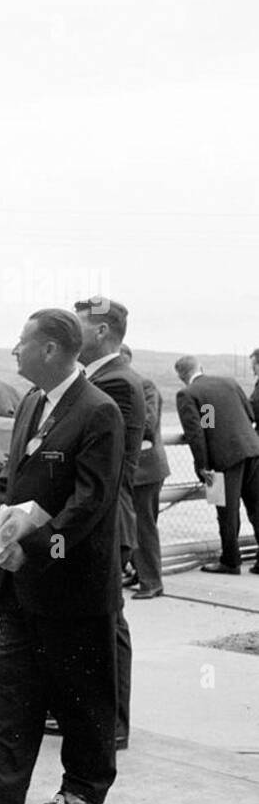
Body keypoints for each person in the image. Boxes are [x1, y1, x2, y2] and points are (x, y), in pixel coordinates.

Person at [0, 309, 122, 804]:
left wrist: (39, 546)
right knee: (12, 683)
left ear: (49, 350)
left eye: (21, 342)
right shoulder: (29, 402)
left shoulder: (99, 411)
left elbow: (91, 502)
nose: (14, 351)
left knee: (81, 691)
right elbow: (11, 481)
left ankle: (85, 789)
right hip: (20, 579)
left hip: (72, 582)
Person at [74, 297, 145, 751]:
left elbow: (104, 465)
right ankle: (95, 718)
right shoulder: (100, 377)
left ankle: (113, 724)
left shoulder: (116, 383)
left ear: (101, 331)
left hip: (106, 523)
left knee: (106, 625)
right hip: (98, 522)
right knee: (93, 623)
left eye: (77, 324)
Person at [174, 355, 259, 575]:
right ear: (200, 367)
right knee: (257, 507)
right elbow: (249, 414)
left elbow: (197, 435)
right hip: (252, 450)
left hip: (219, 461)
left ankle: (230, 561)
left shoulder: (188, 393)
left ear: (181, 377)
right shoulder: (228, 382)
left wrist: (202, 468)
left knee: (226, 513)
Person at [122, 344, 169, 600]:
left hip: (146, 469)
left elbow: (148, 425)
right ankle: (141, 572)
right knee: (133, 524)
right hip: (134, 469)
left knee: (143, 526)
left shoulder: (145, 385)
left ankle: (152, 582)